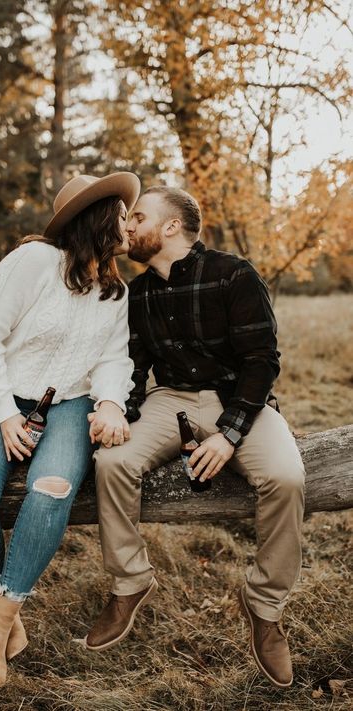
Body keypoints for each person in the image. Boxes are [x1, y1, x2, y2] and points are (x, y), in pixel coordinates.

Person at [85, 185, 305, 689]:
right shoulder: (135, 294)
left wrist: (228, 436)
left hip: (238, 399)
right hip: (170, 400)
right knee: (112, 463)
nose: (128, 227)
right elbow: (133, 369)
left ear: (170, 228)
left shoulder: (234, 274)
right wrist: (120, 412)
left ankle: (266, 607)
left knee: (288, 477)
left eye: (137, 217)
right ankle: (129, 583)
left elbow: (261, 362)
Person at [0, 172, 139, 687]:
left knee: (51, 490)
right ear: (96, 218)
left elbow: (114, 359)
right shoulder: (32, 262)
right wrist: (7, 414)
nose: (128, 224)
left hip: (71, 405)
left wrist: (112, 403)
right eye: (121, 215)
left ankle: (2, 618)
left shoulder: (115, 291)